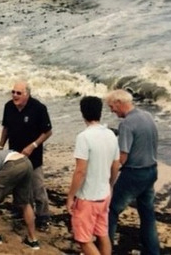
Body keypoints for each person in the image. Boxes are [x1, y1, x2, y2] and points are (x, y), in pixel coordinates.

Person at [105, 89, 160, 254]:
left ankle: (104, 248)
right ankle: (152, 251)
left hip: (134, 174)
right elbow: (142, 137)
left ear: (119, 103)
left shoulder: (127, 124)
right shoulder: (147, 116)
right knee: (147, 214)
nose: (111, 110)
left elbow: (122, 157)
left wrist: (108, 174)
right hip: (151, 170)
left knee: (112, 209)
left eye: (112, 106)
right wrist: (118, 132)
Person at [67, 96, 120, 255]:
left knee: (83, 240)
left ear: (82, 113)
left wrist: (71, 196)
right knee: (102, 234)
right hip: (104, 194)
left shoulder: (84, 137)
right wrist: (110, 184)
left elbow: (80, 171)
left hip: (88, 197)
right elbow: (115, 164)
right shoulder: (110, 134)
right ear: (100, 112)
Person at [0, 80, 52, 230]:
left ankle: (43, 217)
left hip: (33, 156)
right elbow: (6, 128)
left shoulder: (39, 108)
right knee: (17, 184)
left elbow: (48, 132)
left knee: (38, 187)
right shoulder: (8, 107)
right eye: (13, 92)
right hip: (14, 153)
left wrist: (33, 145)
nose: (15, 95)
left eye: (18, 93)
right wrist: (1, 145)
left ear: (27, 94)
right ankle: (19, 212)